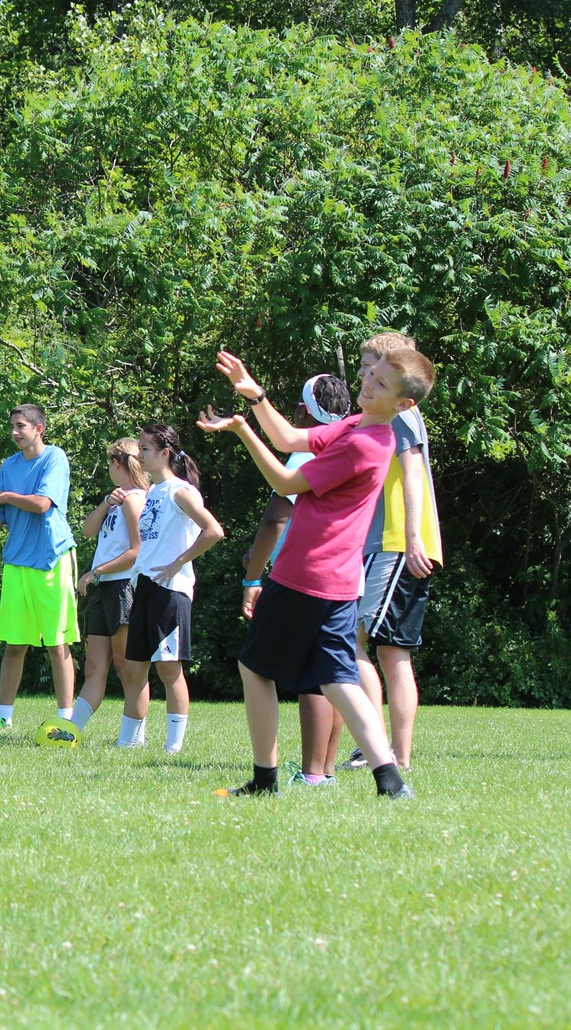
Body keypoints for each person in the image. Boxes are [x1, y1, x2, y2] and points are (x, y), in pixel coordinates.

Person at [197, 346, 435, 798]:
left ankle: (264, 781)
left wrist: (243, 429)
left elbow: (285, 482)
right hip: (340, 580)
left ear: (404, 404)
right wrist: (256, 395)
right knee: (338, 678)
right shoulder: (357, 425)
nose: (368, 383)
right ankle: (390, 781)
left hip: (307, 574)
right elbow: (288, 439)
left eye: (381, 383)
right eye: (371, 374)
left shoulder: (365, 443)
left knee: (254, 668)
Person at [336, 331, 444, 773]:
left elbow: (413, 473)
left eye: (369, 366)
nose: (362, 374)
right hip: (384, 543)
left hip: (397, 543)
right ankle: (389, 751)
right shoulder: (382, 411)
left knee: (355, 640)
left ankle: (381, 748)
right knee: (389, 651)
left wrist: (414, 538)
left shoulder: (402, 412)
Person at [236, 374, 351, 786]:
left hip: (304, 575)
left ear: (303, 411)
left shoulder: (307, 454)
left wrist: (253, 574)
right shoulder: (347, 445)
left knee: (289, 673)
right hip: (343, 573)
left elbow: (275, 520)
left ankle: (308, 774)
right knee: (329, 674)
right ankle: (324, 771)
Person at [0, 404, 79, 729]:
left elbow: (42, 504)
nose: (15, 432)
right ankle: (4, 720)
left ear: (38, 429)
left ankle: (66, 721)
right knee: (14, 644)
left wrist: (5, 495)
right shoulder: (9, 465)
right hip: (16, 562)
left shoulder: (55, 458)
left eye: (21, 426)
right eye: (12, 426)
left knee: (57, 643)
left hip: (52, 559)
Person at [118, 424, 225, 751]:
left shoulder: (180, 491)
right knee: (134, 669)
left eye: (145, 449)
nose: (139, 454)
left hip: (170, 589)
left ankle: (173, 746)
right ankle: (128, 742)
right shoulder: (153, 492)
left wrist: (179, 562)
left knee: (168, 668)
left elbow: (213, 530)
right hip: (145, 586)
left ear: (165, 453)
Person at [71, 439, 149, 736]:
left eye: (109, 464)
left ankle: (134, 737)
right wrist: (106, 501)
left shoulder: (135, 500)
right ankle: (70, 730)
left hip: (124, 587)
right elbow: (87, 530)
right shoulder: (118, 499)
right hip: (105, 589)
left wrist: (95, 572)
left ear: (116, 464)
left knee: (127, 667)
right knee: (94, 666)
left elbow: (137, 552)